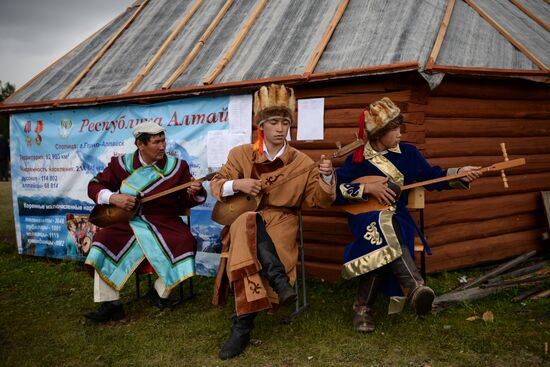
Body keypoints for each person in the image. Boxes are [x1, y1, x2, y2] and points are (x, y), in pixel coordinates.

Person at [210, 84, 336, 359]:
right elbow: (217, 184)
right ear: (262, 126)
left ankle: (241, 327)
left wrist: (326, 177)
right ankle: (278, 281)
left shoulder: (302, 162)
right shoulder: (241, 154)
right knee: (246, 222)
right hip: (245, 217)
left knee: (247, 237)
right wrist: (238, 183)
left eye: (285, 122)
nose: (280, 128)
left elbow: (320, 199)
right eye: (274, 122)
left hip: (281, 220)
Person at [335, 97, 481, 332]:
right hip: (364, 217)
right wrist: (367, 188)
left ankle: (362, 309)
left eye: (399, 128)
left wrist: (458, 174)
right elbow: (337, 190)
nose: (399, 134)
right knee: (382, 230)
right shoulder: (358, 158)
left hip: (396, 216)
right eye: (393, 129)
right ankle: (415, 287)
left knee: (387, 234)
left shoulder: (409, 153)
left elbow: (432, 177)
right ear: (378, 133)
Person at [83, 122, 206, 322]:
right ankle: (111, 304)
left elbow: (184, 199)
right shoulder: (121, 165)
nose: (162, 146)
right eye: (156, 142)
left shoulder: (177, 167)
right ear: (140, 144)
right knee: (102, 240)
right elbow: (94, 186)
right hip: (129, 221)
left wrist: (194, 192)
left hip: (164, 221)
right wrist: (113, 198)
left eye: (163, 140)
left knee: (186, 241)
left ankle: (159, 292)